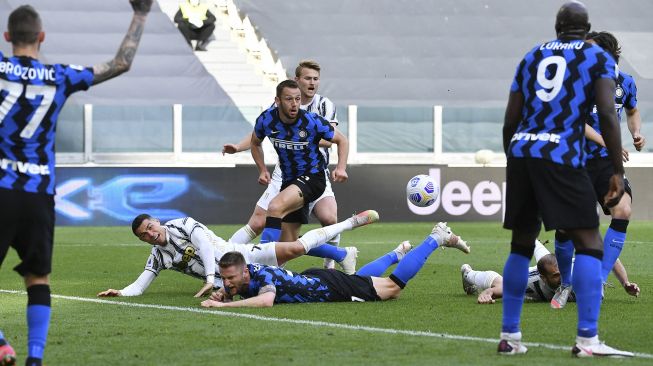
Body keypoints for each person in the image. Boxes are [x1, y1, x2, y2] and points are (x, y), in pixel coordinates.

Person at [0, 2, 153, 365]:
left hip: (2, 188)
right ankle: (35, 359)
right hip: (38, 193)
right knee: (38, 280)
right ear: (42, 37)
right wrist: (141, 14)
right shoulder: (59, 75)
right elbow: (121, 64)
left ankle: (2, 343)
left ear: (7, 37)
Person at [500, 1, 632, 357]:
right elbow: (606, 111)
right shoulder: (596, 58)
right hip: (560, 153)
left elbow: (511, 117)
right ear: (585, 30)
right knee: (589, 241)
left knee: (521, 244)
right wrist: (616, 170)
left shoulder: (532, 56)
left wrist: (511, 155)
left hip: (524, 150)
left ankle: (509, 336)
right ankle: (587, 340)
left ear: (557, 28)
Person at [552, 30, 645, 309]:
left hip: (605, 161)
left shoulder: (624, 83)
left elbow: (632, 111)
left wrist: (637, 133)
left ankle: (598, 280)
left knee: (623, 210)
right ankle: (566, 284)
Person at [224, 60, 343, 269]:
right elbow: (258, 135)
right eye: (307, 78)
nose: (312, 83)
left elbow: (332, 139)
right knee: (262, 222)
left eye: (316, 79)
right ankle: (223, 256)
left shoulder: (323, 106)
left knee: (329, 218)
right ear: (296, 80)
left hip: (315, 171)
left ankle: (330, 264)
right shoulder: (277, 108)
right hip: (285, 174)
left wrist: (306, 140)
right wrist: (238, 147)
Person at [96, 210, 376, 298]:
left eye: (149, 227)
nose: (149, 234)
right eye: (143, 235)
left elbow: (205, 247)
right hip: (233, 281)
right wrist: (121, 292)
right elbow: (141, 283)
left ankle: (350, 224)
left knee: (296, 248)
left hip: (241, 256)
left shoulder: (182, 224)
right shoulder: (157, 256)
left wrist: (208, 277)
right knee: (289, 274)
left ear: (156, 221)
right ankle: (342, 256)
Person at [199, 222, 470, 308]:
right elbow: (240, 287)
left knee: (391, 288)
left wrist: (224, 304)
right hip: (318, 280)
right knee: (360, 281)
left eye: (230, 278)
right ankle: (395, 255)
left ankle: (436, 237)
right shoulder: (245, 277)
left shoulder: (265, 277)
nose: (227, 282)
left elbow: (266, 301)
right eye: (225, 279)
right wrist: (225, 291)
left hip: (327, 287)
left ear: (245, 270)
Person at [251, 80, 349, 247]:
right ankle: (342, 254)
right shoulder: (266, 120)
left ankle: (261, 258)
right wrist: (262, 169)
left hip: (313, 177)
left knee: (274, 207)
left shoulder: (311, 121)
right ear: (277, 101)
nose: (294, 104)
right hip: (289, 181)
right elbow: (254, 142)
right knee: (288, 244)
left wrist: (341, 168)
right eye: (289, 99)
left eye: (297, 99)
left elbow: (342, 140)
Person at [461, 241, 639, 304]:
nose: (563, 278)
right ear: (544, 280)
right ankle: (468, 274)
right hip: (541, 270)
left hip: (557, 262)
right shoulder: (535, 280)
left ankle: (535, 242)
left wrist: (625, 283)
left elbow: (611, 257)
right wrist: (488, 292)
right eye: (556, 276)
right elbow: (501, 288)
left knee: (548, 260)